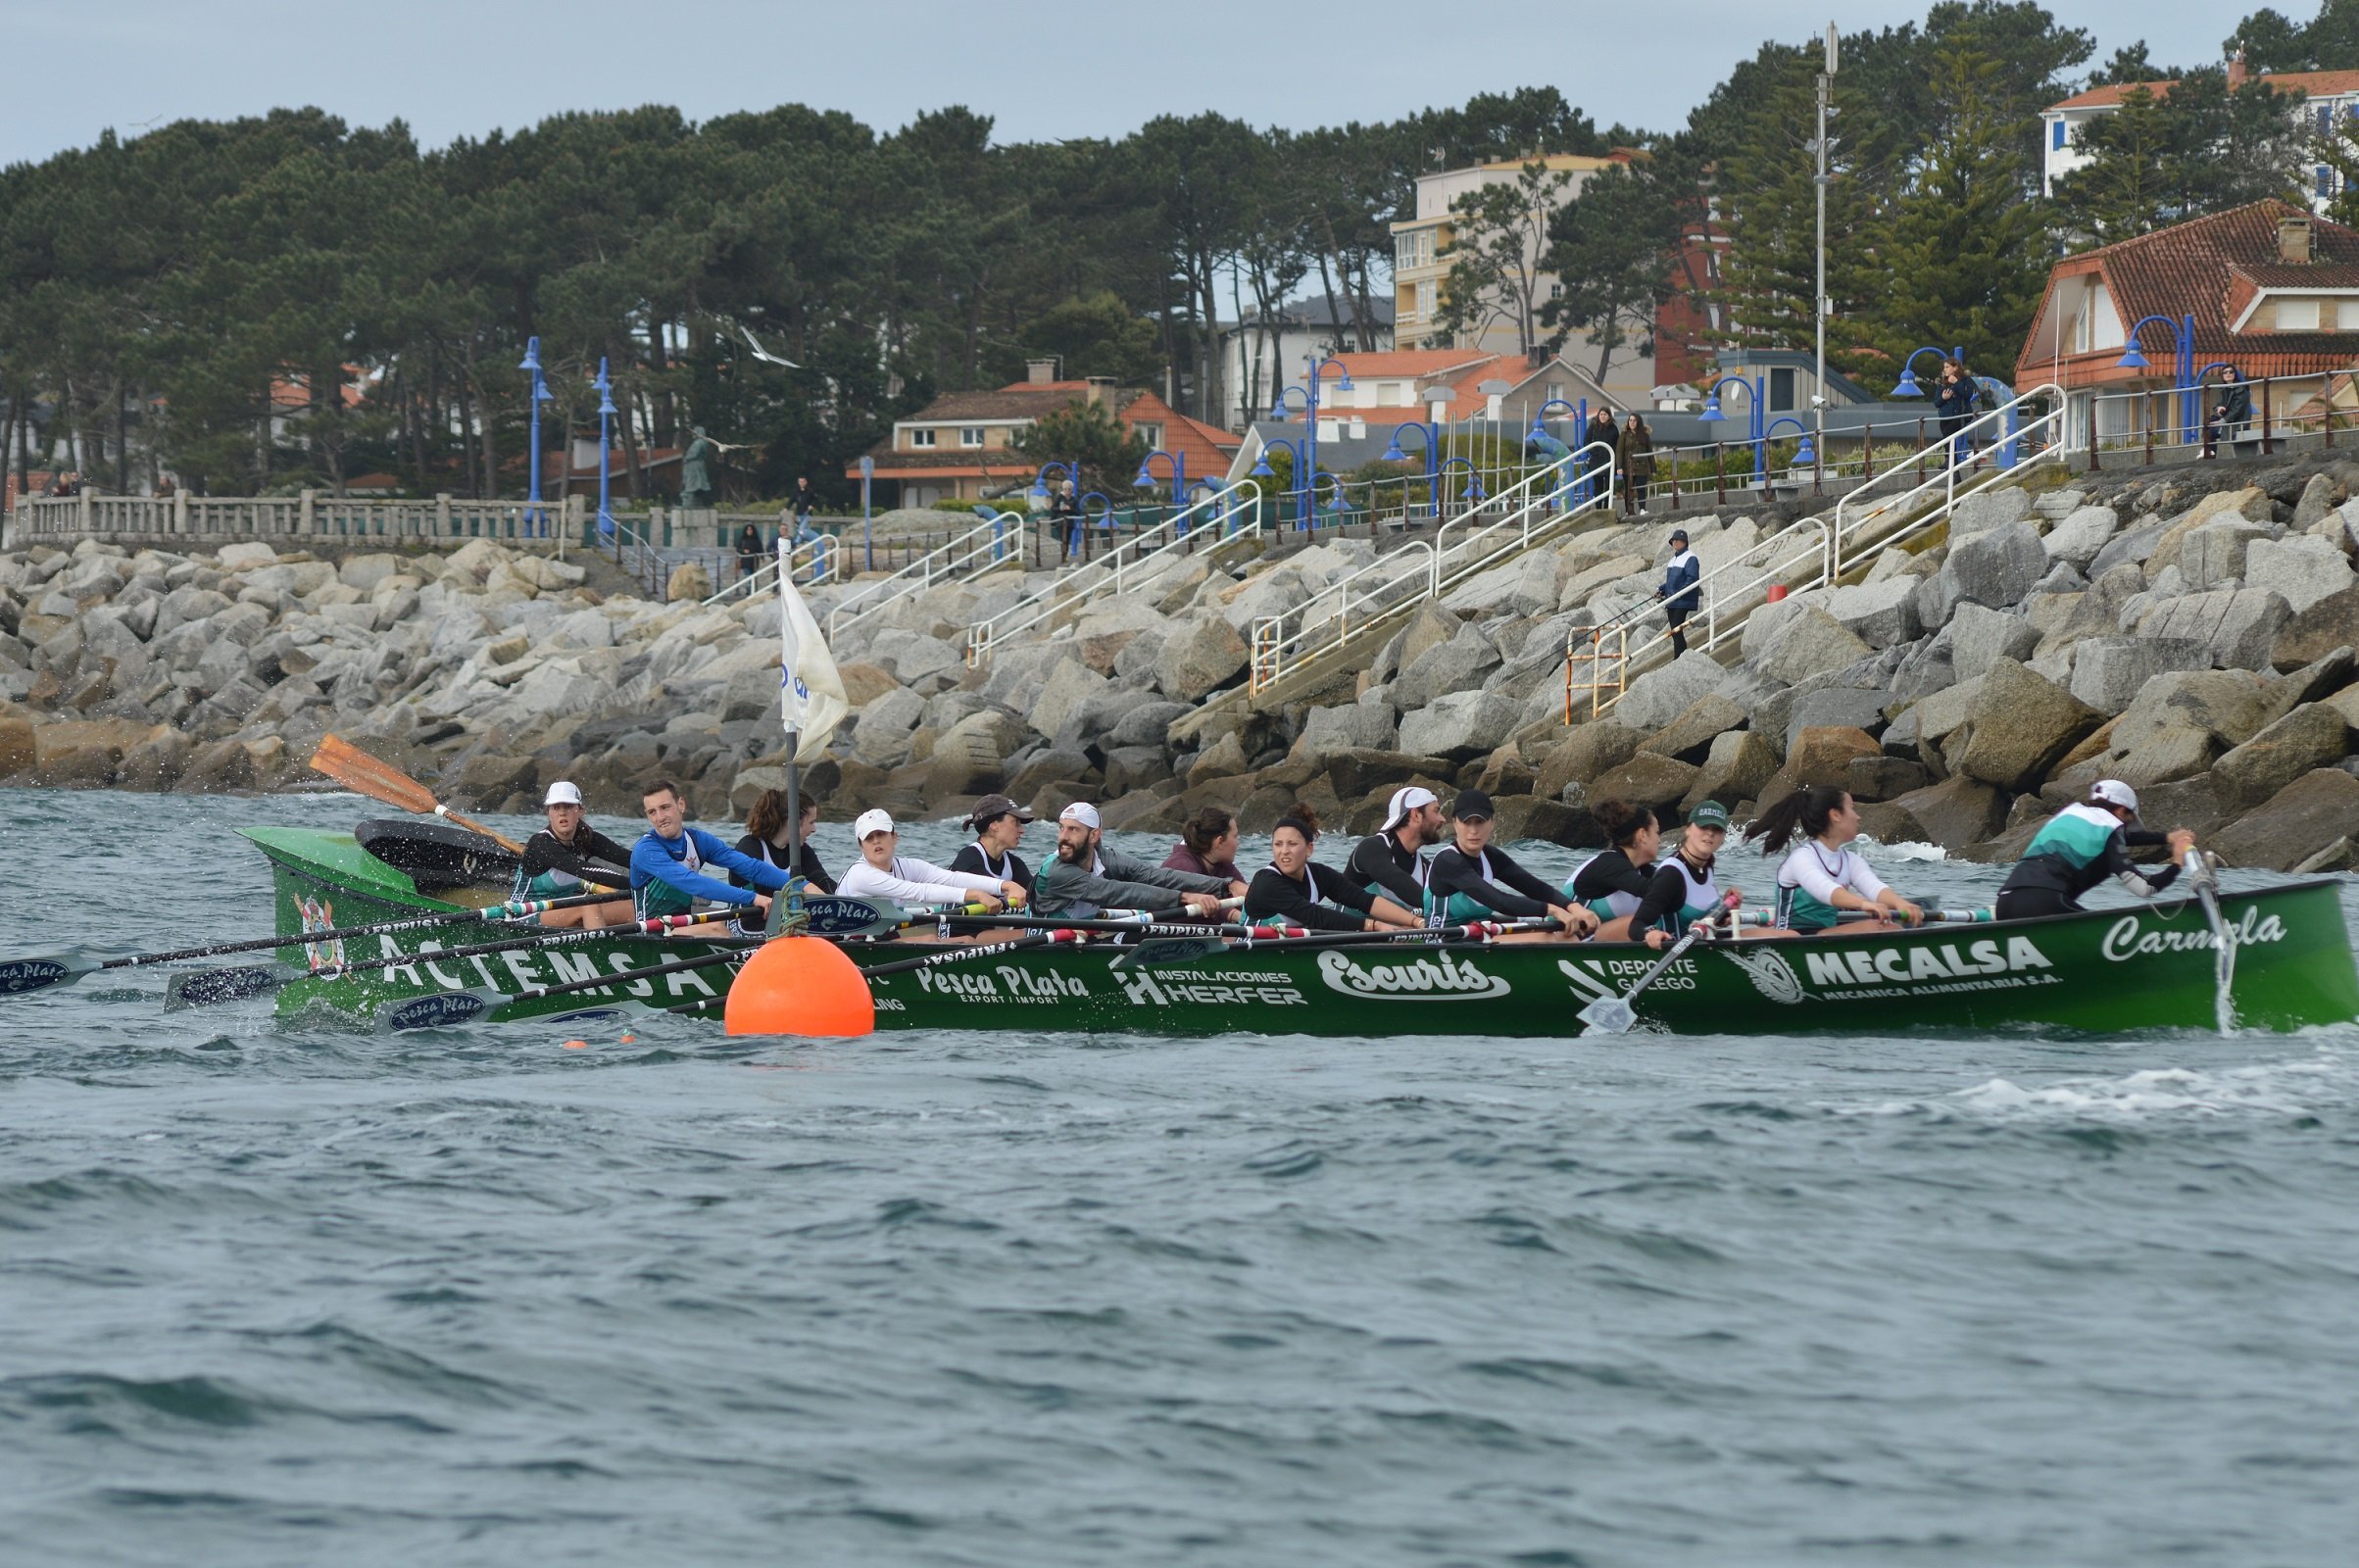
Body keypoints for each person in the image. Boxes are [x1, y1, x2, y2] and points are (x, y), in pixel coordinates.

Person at [1995, 780, 2195, 921]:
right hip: (2045, 903)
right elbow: (2144, 889)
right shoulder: (2111, 828)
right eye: (2129, 819)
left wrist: (2168, 837)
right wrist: (2177, 863)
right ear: (2121, 811)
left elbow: (2118, 839)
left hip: (2005, 903)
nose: (2126, 826)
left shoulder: (2071, 814)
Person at [1745, 784, 1923, 934]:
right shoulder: (1802, 858)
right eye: (1852, 808)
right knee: (1872, 925)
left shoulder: (1851, 860)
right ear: (1836, 815)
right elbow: (1824, 889)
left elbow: (1874, 888)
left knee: (1888, 928)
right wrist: (1863, 904)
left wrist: (1901, 903)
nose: (1858, 816)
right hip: (1790, 937)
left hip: (1824, 935)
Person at [1423, 790, 1597, 938]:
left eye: (1480, 822)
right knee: (1555, 940)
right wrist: (1555, 911)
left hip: (1479, 936)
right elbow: (1500, 902)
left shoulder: (1491, 856)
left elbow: (1536, 888)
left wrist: (1575, 908)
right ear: (1454, 823)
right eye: (1466, 822)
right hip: (1444, 942)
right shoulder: (1448, 861)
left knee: (1564, 935)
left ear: (1493, 823)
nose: (1473, 831)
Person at [1034, 802, 1240, 918]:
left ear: (1094, 836)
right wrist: (1187, 898)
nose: (1064, 837)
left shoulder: (1104, 857)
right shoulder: (1057, 871)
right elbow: (1119, 892)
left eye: (1073, 830)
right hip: (1046, 944)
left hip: (1078, 939)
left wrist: (1226, 886)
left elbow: (1152, 876)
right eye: (1061, 828)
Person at [630, 779, 789, 928]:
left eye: (665, 808)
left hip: (680, 928)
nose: (660, 818)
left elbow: (751, 867)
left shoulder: (698, 840)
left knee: (721, 927)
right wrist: (753, 898)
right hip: (653, 931)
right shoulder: (646, 849)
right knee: (718, 930)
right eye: (652, 812)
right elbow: (692, 883)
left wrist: (803, 886)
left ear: (681, 805)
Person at [1245, 805, 1419, 932]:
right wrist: (1375, 925)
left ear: (1309, 849)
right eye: (1277, 844)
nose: (1284, 852)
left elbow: (1365, 900)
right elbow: (1316, 917)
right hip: (1252, 955)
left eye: (1292, 844)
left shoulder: (1319, 874)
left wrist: (1415, 922)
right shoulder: (1266, 882)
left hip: (1288, 948)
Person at [835, 809, 1018, 911]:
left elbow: (951, 878)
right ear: (861, 847)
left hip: (877, 935)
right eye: (869, 838)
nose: (876, 841)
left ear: (895, 837)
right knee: (932, 938)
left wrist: (1004, 885)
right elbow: (919, 892)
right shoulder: (862, 875)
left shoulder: (906, 866)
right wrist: (976, 895)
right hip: (844, 946)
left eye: (881, 834)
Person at [516, 781, 635, 929]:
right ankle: (601, 950)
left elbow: (631, 859)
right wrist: (634, 885)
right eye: (555, 807)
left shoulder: (586, 838)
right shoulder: (540, 843)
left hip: (564, 909)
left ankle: (644, 948)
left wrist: (666, 868)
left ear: (580, 810)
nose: (562, 812)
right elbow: (585, 870)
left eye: (568, 806)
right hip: (524, 914)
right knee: (589, 905)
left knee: (632, 906)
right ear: (548, 813)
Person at [1624, 800, 1739, 950]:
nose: (1710, 833)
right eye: (1703, 826)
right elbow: (1637, 925)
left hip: (1698, 947)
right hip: (1672, 953)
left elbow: (1697, 921)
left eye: (1717, 829)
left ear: (1723, 837)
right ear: (1688, 830)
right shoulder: (1672, 873)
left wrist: (1725, 912)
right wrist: (1650, 933)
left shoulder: (1707, 866)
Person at [1566, 800, 1664, 944]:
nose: (1660, 841)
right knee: (1638, 922)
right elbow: (1652, 891)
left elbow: (1667, 884)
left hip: (1595, 938)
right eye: (1656, 832)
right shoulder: (1609, 863)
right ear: (1642, 835)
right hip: (1565, 937)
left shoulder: (1641, 869)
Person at [1349, 785, 1445, 909]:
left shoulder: (1426, 869)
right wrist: (1443, 909)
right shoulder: (1370, 848)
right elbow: (1396, 881)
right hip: (1344, 927)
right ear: (1416, 815)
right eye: (1436, 811)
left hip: (1392, 928)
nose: (1443, 819)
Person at [730, 788, 835, 896]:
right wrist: (805, 887)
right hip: (749, 911)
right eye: (811, 822)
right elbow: (762, 883)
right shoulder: (749, 847)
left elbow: (823, 882)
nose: (814, 829)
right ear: (793, 821)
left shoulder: (802, 851)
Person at [950, 793, 1036, 896]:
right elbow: (989, 892)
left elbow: (1037, 894)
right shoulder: (968, 858)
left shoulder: (1014, 864)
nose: (1022, 830)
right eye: (1016, 823)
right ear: (994, 826)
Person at [1164, 807, 1243, 885]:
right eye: (1235, 836)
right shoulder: (1180, 867)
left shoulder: (1223, 867)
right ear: (1220, 842)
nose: (1238, 843)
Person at [1655, 527, 1701, 658]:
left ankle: (1680, 657)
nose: (1675, 542)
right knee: (1675, 632)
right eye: (1673, 541)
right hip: (1673, 601)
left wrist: (1679, 593)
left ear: (1685, 542)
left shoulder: (1691, 558)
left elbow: (1692, 579)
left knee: (1676, 630)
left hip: (1683, 600)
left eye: (1678, 540)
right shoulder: (1673, 560)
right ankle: (1681, 657)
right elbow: (1671, 583)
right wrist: (1661, 589)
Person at [1934, 359, 1978, 466]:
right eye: (1944, 367)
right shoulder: (1943, 382)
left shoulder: (1966, 380)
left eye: (1947, 367)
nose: (1945, 369)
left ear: (1955, 367)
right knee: (1949, 439)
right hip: (1945, 416)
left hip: (1961, 415)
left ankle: (1948, 459)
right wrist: (1943, 398)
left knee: (1948, 435)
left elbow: (1967, 394)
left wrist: (1956, 383)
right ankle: (1954, 469)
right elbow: (1936, 403)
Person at [1618, 412, 1654, 514]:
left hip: (1642, 466)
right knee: (1628, 489)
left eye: (1634, 421)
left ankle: (1642, 508)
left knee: (1641, 488)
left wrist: (1653, 468)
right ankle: (1628, 510)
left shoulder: (1645, 435)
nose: (1632, 423)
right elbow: (1619, 451)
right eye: (1630, 420)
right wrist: (1619, 466)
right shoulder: (1624, 435)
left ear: (1638, 422)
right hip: (1627, 467)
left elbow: (1650, 452)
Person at [2208, 368, 2254, 448]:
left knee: (2211, 429)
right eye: (2225, 372)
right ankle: (2209, 451)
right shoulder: (2225, 389)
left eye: (2231, 372)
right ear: (2222, 375)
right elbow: (2218, 405)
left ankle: (2210, 452)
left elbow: (2237, 410)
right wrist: (2219, 409)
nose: (2228, 374)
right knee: (2209, 423)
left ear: (2234, 374)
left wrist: (2223, 420)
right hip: (2229, 420)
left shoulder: (2241, 388)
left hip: (2238, 422)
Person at [1583, 407, 1618, 499]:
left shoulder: (1613, 429)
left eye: (1605, 414)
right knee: (1598, 487)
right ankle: (1598, 509)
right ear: (1598, 415)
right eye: (1601, 414)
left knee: (1608, 487)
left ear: (1609, 416)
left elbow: (1617, 445)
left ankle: (1607, 508)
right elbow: (1586, 442)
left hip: (1609, 460)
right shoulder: (1593, 427)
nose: (1603, 416)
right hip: (1596, 461)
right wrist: (1595, 451)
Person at [1050, 479, 1084, 564]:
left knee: (1067, 540)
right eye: (1065, 489)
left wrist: (1070, 508)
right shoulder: (1059, 497)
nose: (1067, 490)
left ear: (1072, 489)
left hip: (1070, 523)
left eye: (1069, 489)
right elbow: (1053, 508)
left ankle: (1065, 556)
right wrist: (1060, 508)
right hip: (1060, 522)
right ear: (1063, 489)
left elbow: (1078, 512)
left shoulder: (1074, 499)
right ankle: (1063, 556)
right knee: (1063, 539)